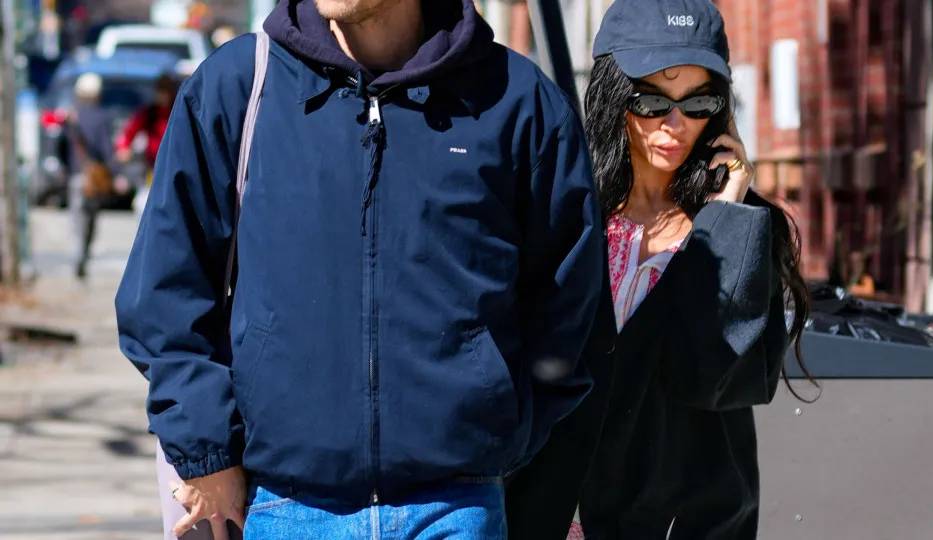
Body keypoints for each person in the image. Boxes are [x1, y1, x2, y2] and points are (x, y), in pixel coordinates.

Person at [114, 0, 603, 539]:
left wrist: (505, 433)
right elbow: (164, 294)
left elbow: (570, 304)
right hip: (282, 507)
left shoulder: (516, 100)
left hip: (457, 508)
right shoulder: (238, 87)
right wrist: (207, 451)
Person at [504, 0, 817, 538]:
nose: (676, 125)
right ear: (613, 96)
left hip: (679, 524)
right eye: (652, 101)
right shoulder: (567, 210)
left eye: (699, 102)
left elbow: (712, 375)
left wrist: (723, 216)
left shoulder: (742, 226)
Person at [68, 72, 123, 279]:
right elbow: (107, 149)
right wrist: (116, 173)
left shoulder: (72, 117)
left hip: (76, 175)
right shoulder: (102, 118)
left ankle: (78, 256)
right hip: (94, 178)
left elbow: (61, 145)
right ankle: (82, 255)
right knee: (90, 220)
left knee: (77, 219)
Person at [115, 73, 177, 184]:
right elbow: (129, 131)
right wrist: (123, 147)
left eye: (167, 90)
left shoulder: (179, 112)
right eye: (161, 90)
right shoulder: (149, 113)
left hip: (175, 164)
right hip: (154, 165)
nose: (164, 95)